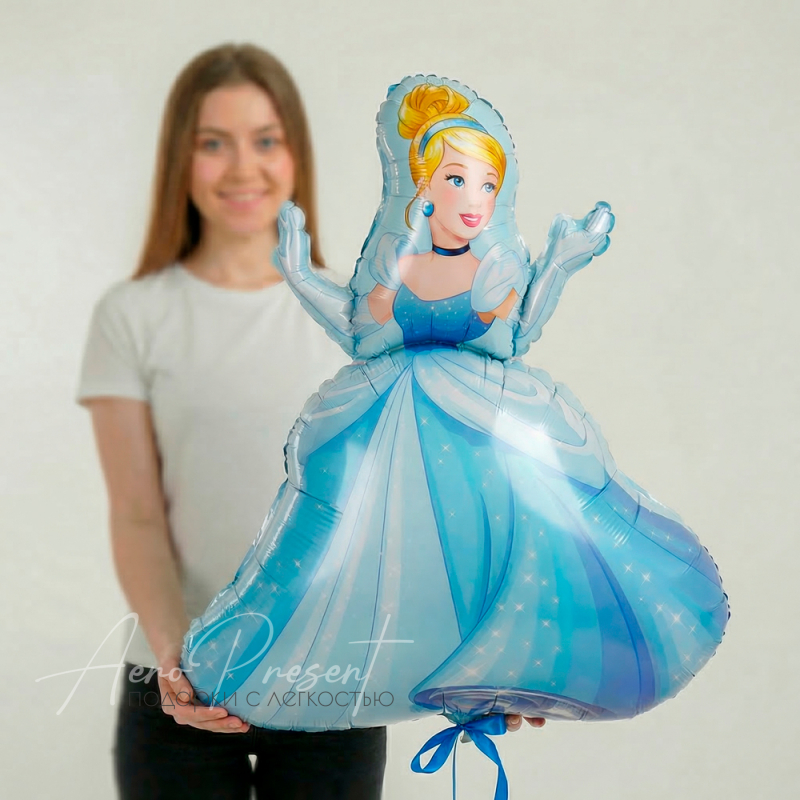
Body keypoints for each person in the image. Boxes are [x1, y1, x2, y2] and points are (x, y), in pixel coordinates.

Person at [183, 76, 727, 733]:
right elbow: (360, 328)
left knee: (514, 522)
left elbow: (517, 332)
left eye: (488, 185)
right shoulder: (397, 266)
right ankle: (262, 659)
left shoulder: (494, 271)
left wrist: (561, 261)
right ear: (423, 187)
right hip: (386, 416)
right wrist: (298, 272)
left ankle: (499, 655)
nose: (475, 199)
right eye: (457, 180)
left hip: (478, 415)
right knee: (358, 531)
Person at [76, 43, 392, 800]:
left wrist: (478, 665)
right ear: (179, 160)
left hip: (331, 680)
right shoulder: (133, 316)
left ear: (296, 154)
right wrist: (172, 657)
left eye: (265, 140)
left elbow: (406, 513)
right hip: (174, 682)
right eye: (212, 143)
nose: (242, 168)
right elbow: (137, 514)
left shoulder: (362, 317)